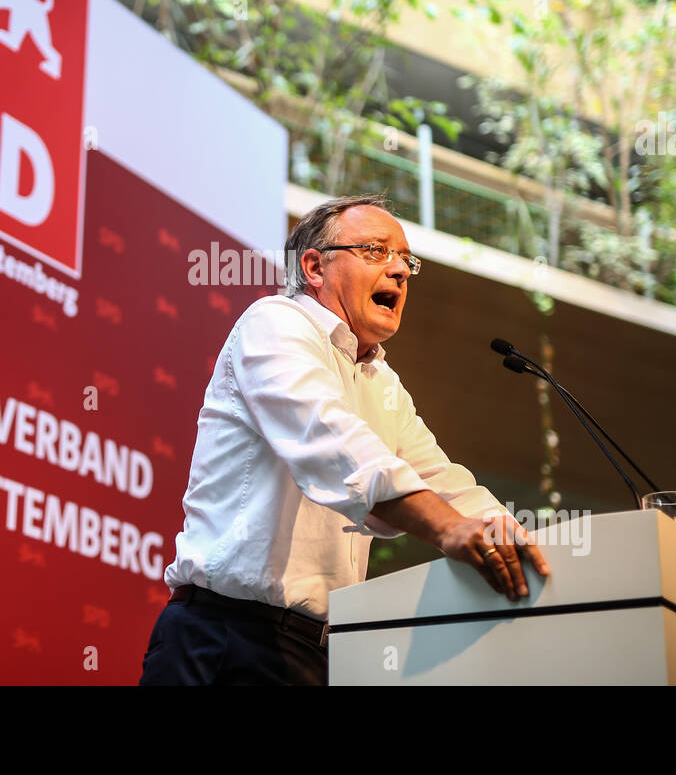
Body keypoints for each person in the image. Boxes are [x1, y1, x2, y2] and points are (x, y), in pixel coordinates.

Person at [138, 193, 549, 685]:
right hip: (225, 640)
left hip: (319, 658)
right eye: (377, 251)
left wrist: (522, 545)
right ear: (313, 266)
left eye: (406, 260)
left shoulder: (382, 381)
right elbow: (328, 438)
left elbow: (443, 479)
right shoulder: (274, 322)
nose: (399, 270)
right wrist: (446, 528)